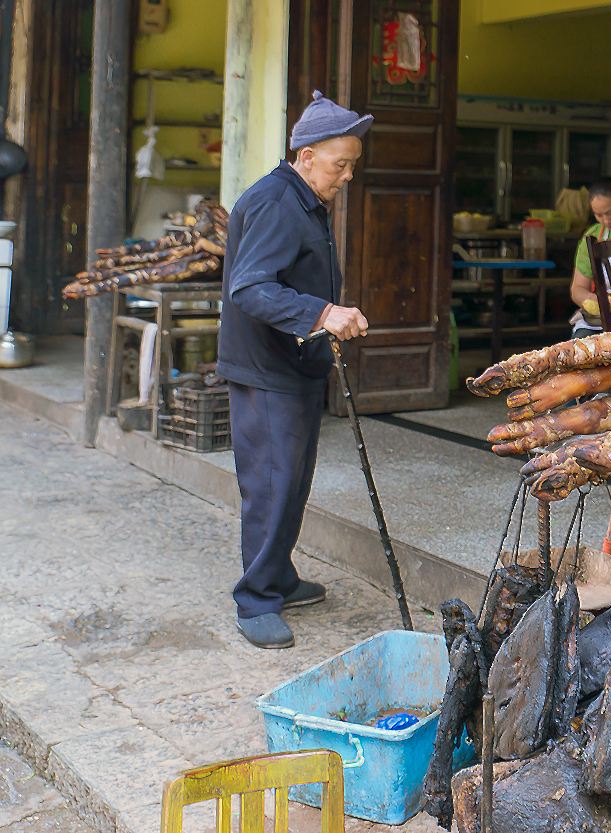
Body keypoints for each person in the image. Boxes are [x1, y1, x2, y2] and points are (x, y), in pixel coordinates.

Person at [216, 91, 373, 649]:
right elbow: (251, 287)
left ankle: (278, 577)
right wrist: (323, 313)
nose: (347, 175)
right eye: (340, 164)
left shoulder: (302, 197)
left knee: (292, 480)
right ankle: (255, 598)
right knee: (271, 483)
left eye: (353, 164)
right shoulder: (277, 202)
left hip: (292, 362)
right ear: (306, 155)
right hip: (264, 369)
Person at [569, 177, 611, 338]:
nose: (606, 220)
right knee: (580, 346)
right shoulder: (592, 236)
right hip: (601, 320)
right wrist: (596, 300)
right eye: (599, 215)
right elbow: (577, 289)